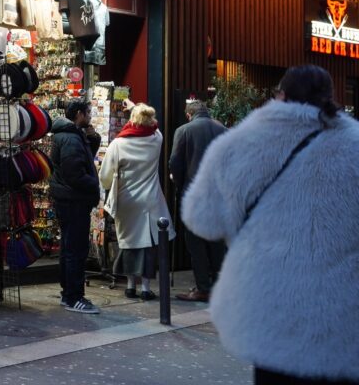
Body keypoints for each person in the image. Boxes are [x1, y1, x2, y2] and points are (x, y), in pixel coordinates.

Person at [183, 65, 359, 384]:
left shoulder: (240, 142)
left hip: (272, 307)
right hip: (343, 314)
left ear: (281, 95)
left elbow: (201, 219)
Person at [99, 103, 174, 301]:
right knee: (148, 244)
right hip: (150, 200)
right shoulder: (156, 139)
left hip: (126, 200)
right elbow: (153, 125)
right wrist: (136, 106)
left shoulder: (118, 144)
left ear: (132, 119)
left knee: (129, 243)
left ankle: (130, 286)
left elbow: (105, 176)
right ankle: (146, 288)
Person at [168, 100, 227, 302]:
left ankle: (203, 287)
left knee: (196, 244)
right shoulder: (224, 130)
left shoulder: (184, 130)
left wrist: (178, 181)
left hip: (194, 194)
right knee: (217, 243)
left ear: (188, 114)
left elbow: (174, 162)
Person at [49, 100, 102, 314]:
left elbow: (84, 159)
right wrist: (94, 184)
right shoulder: (70, 138)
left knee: (70, 248)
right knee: (76, 250)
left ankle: (68, 294)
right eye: (88, 113)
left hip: (68, 199)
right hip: (74, 200)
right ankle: (74, 297)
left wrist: (93, 137)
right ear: (79, 114)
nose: (90, 116)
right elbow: (74, 174)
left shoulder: (71, 134)